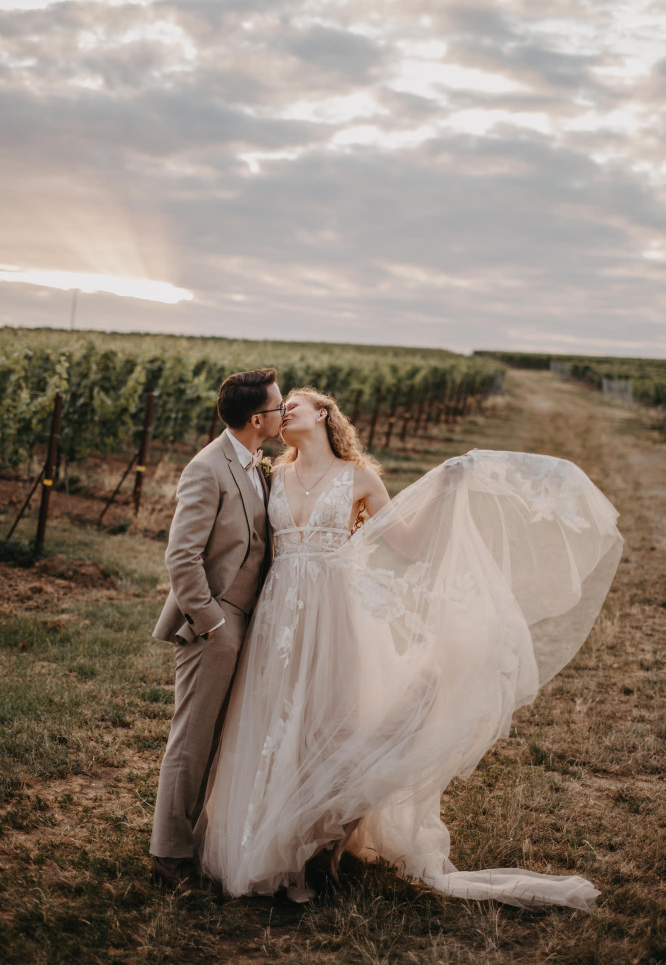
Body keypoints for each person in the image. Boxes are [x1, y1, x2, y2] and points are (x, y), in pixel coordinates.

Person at [196, 387, 623, 909]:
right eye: (279, 409)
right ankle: (266, 845)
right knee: (274, 723)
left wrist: (444, 486)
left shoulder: (359, 477)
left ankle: (311, 851)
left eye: (294, 405)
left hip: (334, 616)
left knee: (329, 725)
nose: (283, 413)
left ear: (323, 413)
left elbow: (406, 545)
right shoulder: (273, 476)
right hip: (279, 618)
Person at [149, 367, 284, 892]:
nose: (283, 412)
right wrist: (213, 622)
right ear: (257, 419)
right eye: (277, 407)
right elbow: (181, 557)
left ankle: (200, 843)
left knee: (222, 738)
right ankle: (169, 855)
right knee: (193, 738)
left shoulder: (256, 464)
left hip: (250, 620)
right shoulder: (207, 468)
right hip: (214, 624)